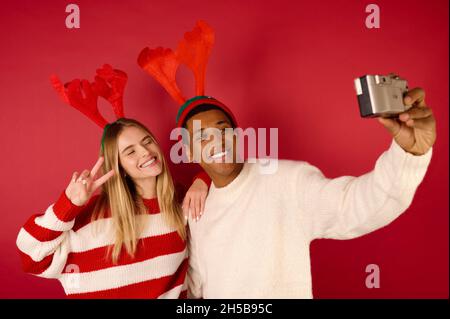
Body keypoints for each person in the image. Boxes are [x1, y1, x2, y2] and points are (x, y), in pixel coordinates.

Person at [137, 20, 436, 298]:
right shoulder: (197, 209)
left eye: (222, 129)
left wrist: (409, 154)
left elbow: (357, 205)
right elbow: (198, 284)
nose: (216, 141)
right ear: (189, 152)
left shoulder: (286, 180)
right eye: (202, 137)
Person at [16, 65, 210, 298]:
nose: (145, 152)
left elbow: (227, 177)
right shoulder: (92, 215)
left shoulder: (180, 201)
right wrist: (67, 204)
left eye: (147, 141)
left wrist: (203, 179)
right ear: (120, 168)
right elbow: (32, 258)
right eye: (130, 151)